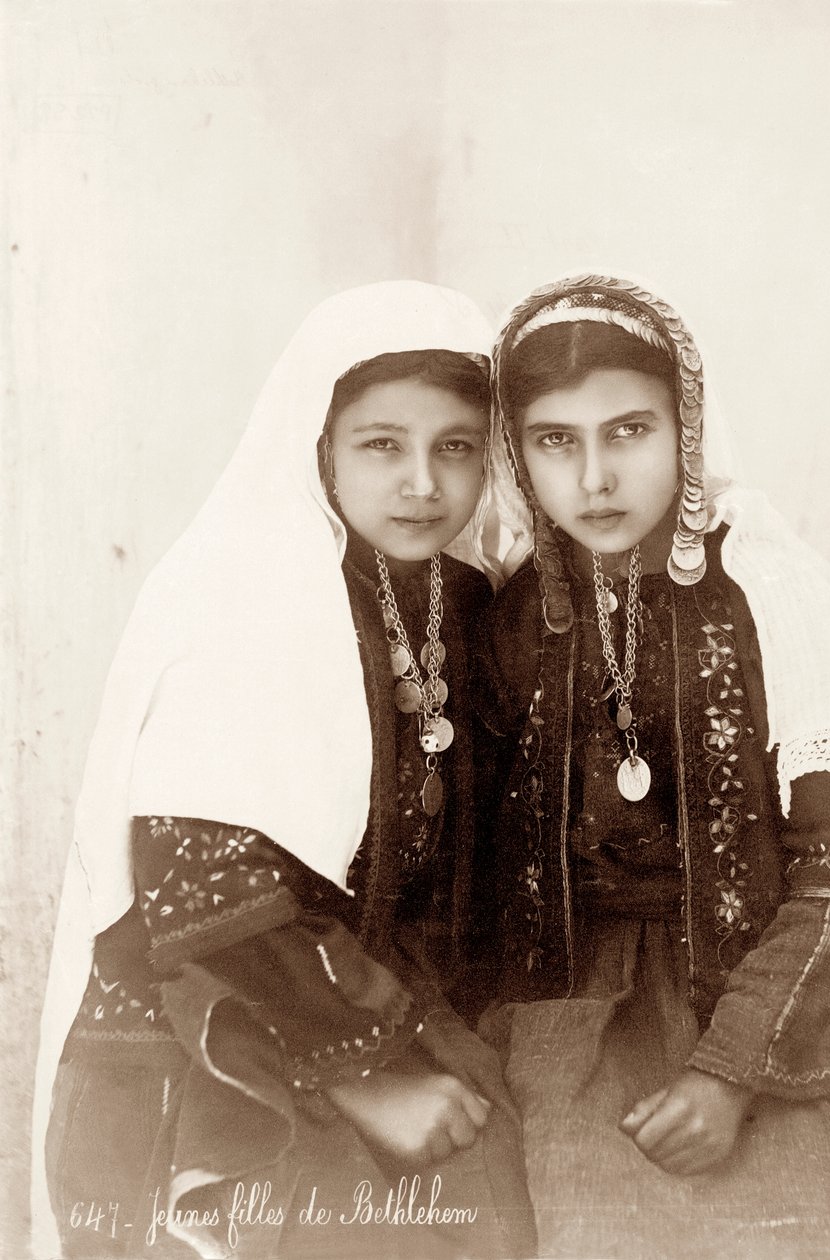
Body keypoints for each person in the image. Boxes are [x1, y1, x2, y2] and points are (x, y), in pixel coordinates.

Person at [33, 281, 536, 1260]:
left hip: (370, 1014)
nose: (422, 483)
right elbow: (195, 881)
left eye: (457, 447)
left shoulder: (462, 598)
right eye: (381, 445)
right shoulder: (255, 596)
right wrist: (364, 1082)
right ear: (320, 449)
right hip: (218, 1040)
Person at [475, 273, 830, 1259]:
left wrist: (733, 1071)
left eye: (629, 432)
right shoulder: (521, 606)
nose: (595, 480)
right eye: (555, 441)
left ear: (685, 430)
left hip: (765, 1011)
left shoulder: (776, 589)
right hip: (569, 1016)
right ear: (517, 454)